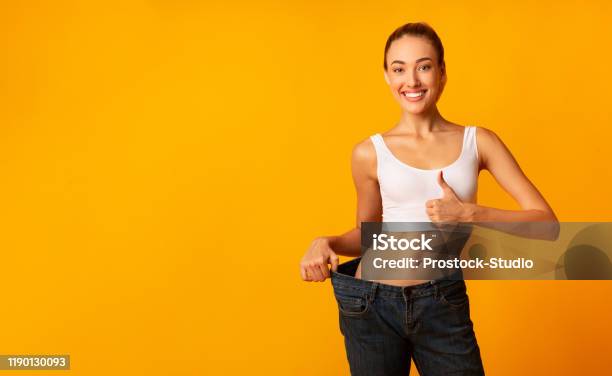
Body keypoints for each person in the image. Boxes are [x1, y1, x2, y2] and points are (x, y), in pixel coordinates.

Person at [299, 22, 558, 376]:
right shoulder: (368, 153)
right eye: (399, 69)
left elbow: (546, 226)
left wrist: (470, 213)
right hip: (369, 303)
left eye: (423, 66)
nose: (412, 81)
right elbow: (369, 237)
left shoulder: (478, 142)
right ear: (387, 77)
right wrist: (324, 241)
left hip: (441, 301)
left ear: (442, 72)